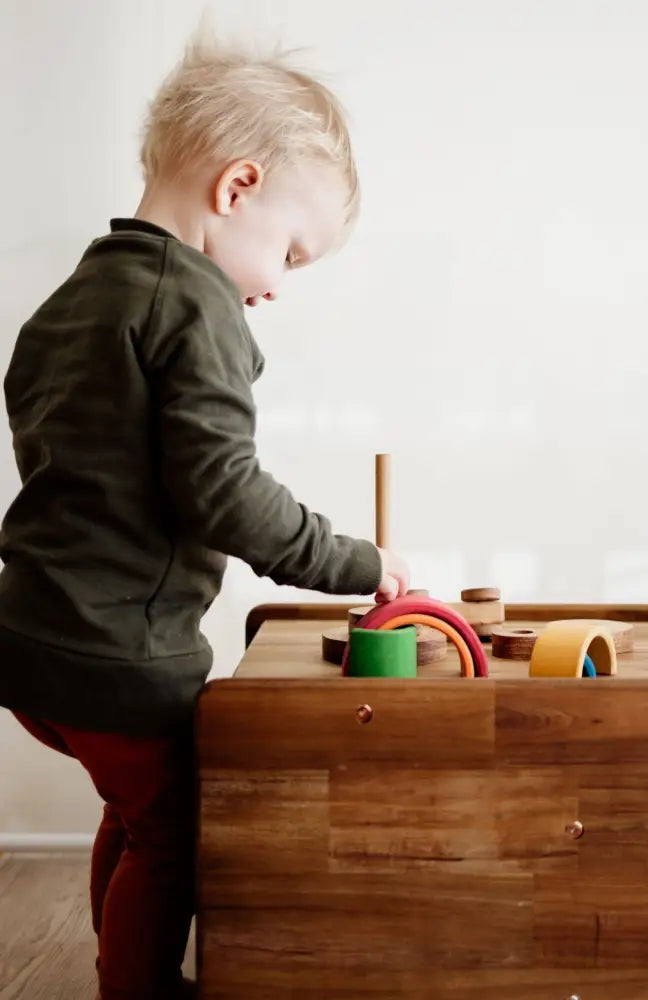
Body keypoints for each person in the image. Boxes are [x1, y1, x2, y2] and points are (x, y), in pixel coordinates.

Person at [0, 34, 408, 1000]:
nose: (275, 284)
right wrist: (361, 564)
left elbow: (42, 434)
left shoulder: (72, 298)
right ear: (236, 188)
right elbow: (225, 492)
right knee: (176, 831)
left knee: (135, 813)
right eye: (289, 253)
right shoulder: (196, 306)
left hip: (25, 636)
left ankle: (117, 965)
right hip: (117, 656)